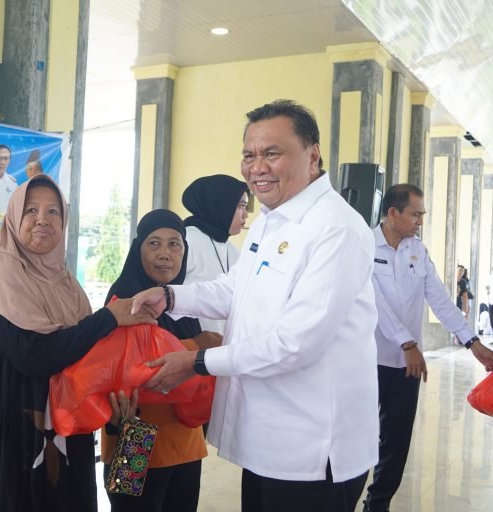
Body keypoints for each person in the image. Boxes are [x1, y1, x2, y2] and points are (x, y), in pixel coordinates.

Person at [131, 100, 379, 512]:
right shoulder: (271, 219)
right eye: (249, 155)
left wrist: (195, 361)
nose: (257, 167)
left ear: (312, 155)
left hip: (309, 448)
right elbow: (238, 288)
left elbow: (296, 342)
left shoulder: (336, 228)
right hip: (163, 435)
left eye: (271, 153)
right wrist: (173, 297)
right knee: (134, 497)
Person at [0, 174, 156, 512]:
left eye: (54, 212)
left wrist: (118, 410)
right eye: (31, 210)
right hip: (24, 433)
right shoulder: (1, 278)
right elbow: (35, 356)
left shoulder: (69, 285)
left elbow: (94, 361)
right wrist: (108, 319)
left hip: (97, 429)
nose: (42, 219)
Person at [362, 184, 493, 512]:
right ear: (393, 213)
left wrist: (472, 342)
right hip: (367, 360)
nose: (420, 220)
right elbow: (373, 303)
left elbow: (440, 299)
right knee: (356, 438)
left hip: (407, 365)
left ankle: (377, 505)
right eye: (415, 214)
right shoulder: (363, 245)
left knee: (396, 441)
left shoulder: (417, 250)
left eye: (422, 214)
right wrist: (406, 341)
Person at [101, 209, 218, 512]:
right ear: (138, 249)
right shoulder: (124, 299)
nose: (165, 253)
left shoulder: (184, 300)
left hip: (185, 442)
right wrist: (200, 346)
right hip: (134, 436)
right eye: (154, 243)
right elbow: (134, 367)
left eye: (174, 244)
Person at [182, 174, 250, 335]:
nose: (246, 214)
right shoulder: (186, 241)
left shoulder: (233, 251)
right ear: (221, 204)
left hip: (221, 346)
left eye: (246, 206)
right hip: (188, 342)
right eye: (241, 206)